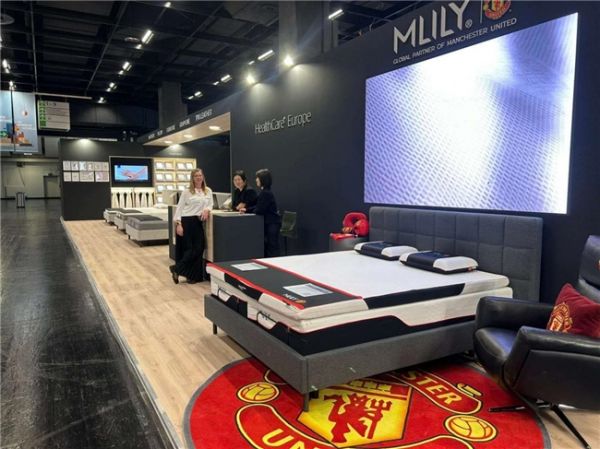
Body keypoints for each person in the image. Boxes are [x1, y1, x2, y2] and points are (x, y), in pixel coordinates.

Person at [170, 168, 213, 284]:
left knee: (199, 248)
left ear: (203, 177)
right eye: (196, 176)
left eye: (200, 175)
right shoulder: (186, 192)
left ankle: (177, 269)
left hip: (198, 222)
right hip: (187, 222)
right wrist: (178, 224)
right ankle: (190, 276)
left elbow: (210, 204)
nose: (198, 177)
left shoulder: (208, 191)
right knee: (190, 250)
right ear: (192, 178)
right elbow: (179, 209)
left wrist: (207, 210)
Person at [240, 168, 281, 257]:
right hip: (271, 223)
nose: (256, 180)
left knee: (272, 247)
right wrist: (247, 209)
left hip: (272, 224)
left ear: (263, 179)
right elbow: (258, 206)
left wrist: (248, 210)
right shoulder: (265, 192)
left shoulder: (265, 193)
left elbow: (259, 210)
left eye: (257, 178)